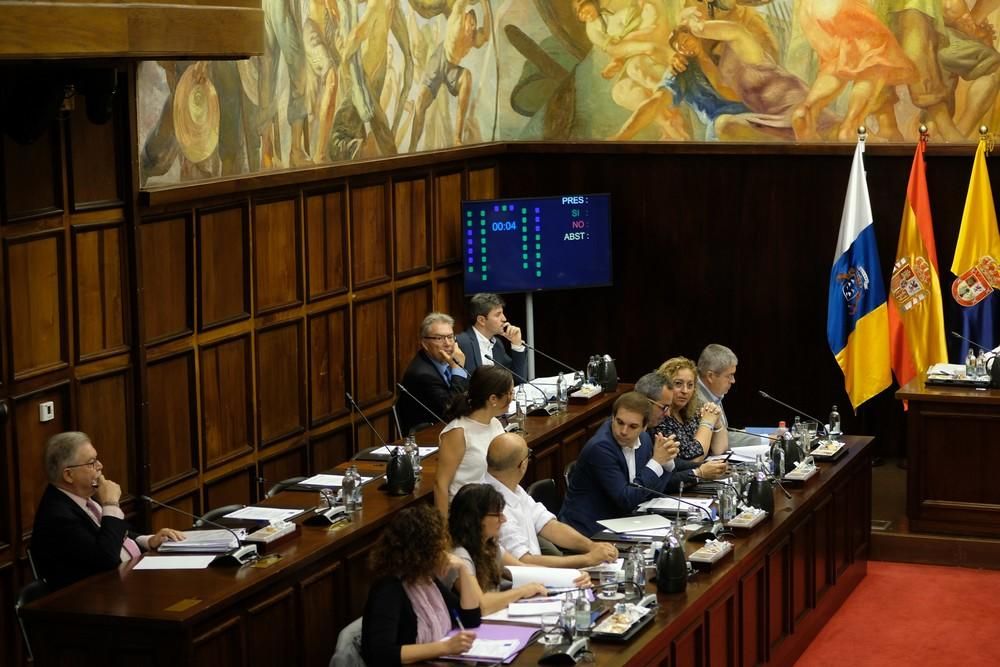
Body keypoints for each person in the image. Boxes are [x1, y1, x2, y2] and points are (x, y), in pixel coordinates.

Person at [31, 431, 185, 590]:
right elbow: (106, 558)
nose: (100, 466)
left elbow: (114, 534)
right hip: (94, 599)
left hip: (127, 582)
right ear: (69, 475)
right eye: (92, 463)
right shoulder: (58, 517)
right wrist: (110, 504)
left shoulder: (81, 498)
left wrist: (148, 541)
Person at [361, 505, 481, 665]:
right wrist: (445, 647)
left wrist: (464, 570)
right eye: (438, 547)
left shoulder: (426, 579)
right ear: (422, 551)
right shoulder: (388, 589)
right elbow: (382, 653)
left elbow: (470, 619)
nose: (444, 551)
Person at [485, 433, 620, 568]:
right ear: (523, 465)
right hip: (521, 582)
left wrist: (591, 546)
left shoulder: (513, 488)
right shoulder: (493, 508)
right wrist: (587, 559)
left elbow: (548, 525)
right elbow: (524, 562)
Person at [559, 391, 679, 536]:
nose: (623, 431)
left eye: (633, 426)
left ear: (645, 427)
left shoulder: (645, 440)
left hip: (621, 523)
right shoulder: (601, 448)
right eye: (619, 422)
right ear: (613, 418)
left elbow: (649, 492)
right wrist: (656, 462)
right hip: (588, 531)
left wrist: (666, 464)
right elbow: (626, 499)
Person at [445, 483, 551, 615]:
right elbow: (481, 604)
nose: (504, 519)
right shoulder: (459, 555)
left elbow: (522, 567)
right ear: (476, 518)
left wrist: (574, 576)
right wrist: (523, 591)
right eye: (497, 514)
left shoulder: (489, 546)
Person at [434, 365, 512, 517]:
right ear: (493, 399)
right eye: (509, 393)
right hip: (467, 516)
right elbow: (440, 485)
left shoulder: (495, 423)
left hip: (495, 508)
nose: (512, 398)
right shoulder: (458, 432)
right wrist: (443, 533)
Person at [634, 371, 728, 491]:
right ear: (646, 403)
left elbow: (674, 464)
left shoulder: (647, 430)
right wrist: (699, 472)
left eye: (690, 385)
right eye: (664, 407)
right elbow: (657, 484)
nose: (667, 413)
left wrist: (705, 467)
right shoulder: (644, 431)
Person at [397, 312, 468, 435]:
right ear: (425, 343)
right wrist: (458, 369)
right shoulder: (422, 374)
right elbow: (451, 410)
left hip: (453, 428)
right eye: (439, 338)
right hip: (428, 435)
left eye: (450, 337)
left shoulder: (449, 360)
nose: (447, 343)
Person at [656, 356, 726, 461]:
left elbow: (719, 450)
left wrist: (717, 424)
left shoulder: (691, 413)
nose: (685, 391)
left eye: (690, 385)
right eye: (678, 384)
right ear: (665, 385)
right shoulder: (661, 417)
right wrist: (707, 422)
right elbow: (694, 458)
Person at [696, 344, 759, 448]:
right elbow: (719, 440)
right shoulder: (699, 401)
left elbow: (724, 431)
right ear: (710, 376)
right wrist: (768, 439)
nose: (733, 381)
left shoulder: (713, 393)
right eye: (729, 375)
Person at [455, 293, 528, 381]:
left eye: (502, 313)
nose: (504, 319)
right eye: (498, 315)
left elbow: (518, 380)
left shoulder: (497, 344)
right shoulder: (461, 343)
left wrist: (516, 345)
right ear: (481, 320)